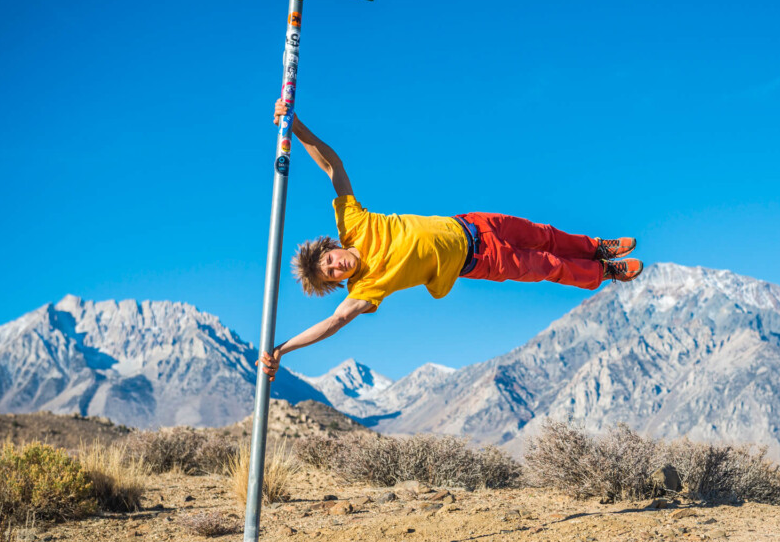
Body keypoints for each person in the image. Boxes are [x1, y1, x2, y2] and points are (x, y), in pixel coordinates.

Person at [257, 99, 642, 380]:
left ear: (331, 246)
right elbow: (335, 321)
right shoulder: (365, 288)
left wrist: (296, 126)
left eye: (329, 259)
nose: (336, 265)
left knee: (545, 235)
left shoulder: (354, 223)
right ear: (337, 283)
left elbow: (332, 166)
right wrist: (282, 349)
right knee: (547, 266)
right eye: (331, 275)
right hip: (479, 262)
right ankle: (606, 272)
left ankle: (595, 247)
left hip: (474, 223)